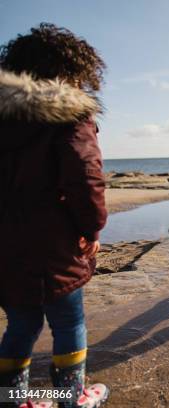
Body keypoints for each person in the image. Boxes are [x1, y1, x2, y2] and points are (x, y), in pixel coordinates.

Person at [0, 24, 109, 407]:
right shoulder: (69, 114)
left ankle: (10, 400)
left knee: (21, 323)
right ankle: (70, 398)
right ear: (71, 71)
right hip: (53, 244)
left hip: (5, 246)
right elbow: (85, 176)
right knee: (68, 323)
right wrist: (92, 227)